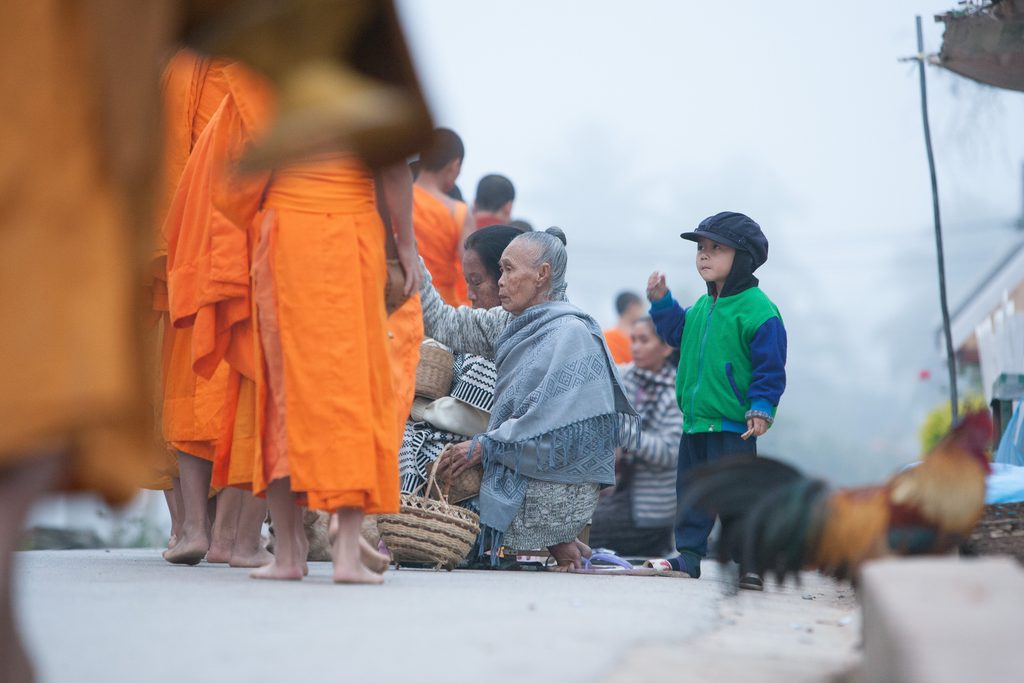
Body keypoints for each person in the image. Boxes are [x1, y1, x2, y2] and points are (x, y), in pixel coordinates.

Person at [248, 154, 419, 584]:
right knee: (351, 385)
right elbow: (392, 163)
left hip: (286, 232)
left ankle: (287, 552)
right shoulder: (369, 83)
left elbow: (241, 163)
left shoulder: (266, 85)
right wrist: (404, 244)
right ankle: (345, 555)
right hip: (348, 234)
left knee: (285, 391)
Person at [437, 229, 639, 570]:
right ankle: (567, 546)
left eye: (508, 270)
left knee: (470, 471)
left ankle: (563, 542)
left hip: (563, 484)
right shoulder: (516, 324)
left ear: (542, 275)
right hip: (527, 458)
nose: (500, 281)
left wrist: (483, 447)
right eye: (499, 271)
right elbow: (445, 323)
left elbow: (548, 425)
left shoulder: (570, 332)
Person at [646, 211, 787, 589]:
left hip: (732, 427)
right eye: (701, 248)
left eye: (716, 249)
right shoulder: (702, 308)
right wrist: (661, 303)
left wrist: (761, 407)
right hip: (694, 424)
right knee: (691, 493)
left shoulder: (759, 311)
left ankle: (749, 564)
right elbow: (677, 331)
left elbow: (769, 368)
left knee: (736, 498)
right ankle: (689, 557)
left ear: (742, 256)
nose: (703, 256)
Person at [399, 225, 522, 497]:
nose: (470, 294)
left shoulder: (519, 329)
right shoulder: (484, 323)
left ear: (507, 277)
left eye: (476, 282)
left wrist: (419, 410)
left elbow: (474, 419)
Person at [589, 317, 682, 556]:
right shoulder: (623, 378)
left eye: (644, 340)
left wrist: (621, 429)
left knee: (582, 529)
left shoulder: (675, 392)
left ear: (666, 347)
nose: (636, 347)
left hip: (648, 512)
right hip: (614, 494)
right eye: (634, 340)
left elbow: (669, 453)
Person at [412, 128, 474, 306]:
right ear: (455, 165)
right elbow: (471, 268)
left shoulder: (398, 202)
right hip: (443, 305)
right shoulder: (458, 212)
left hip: (403, 299)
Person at [603, 291, 645, 365]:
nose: (643, 312)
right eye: (641, 308)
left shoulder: (605, 336)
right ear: (632, 307)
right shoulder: (610, 337)